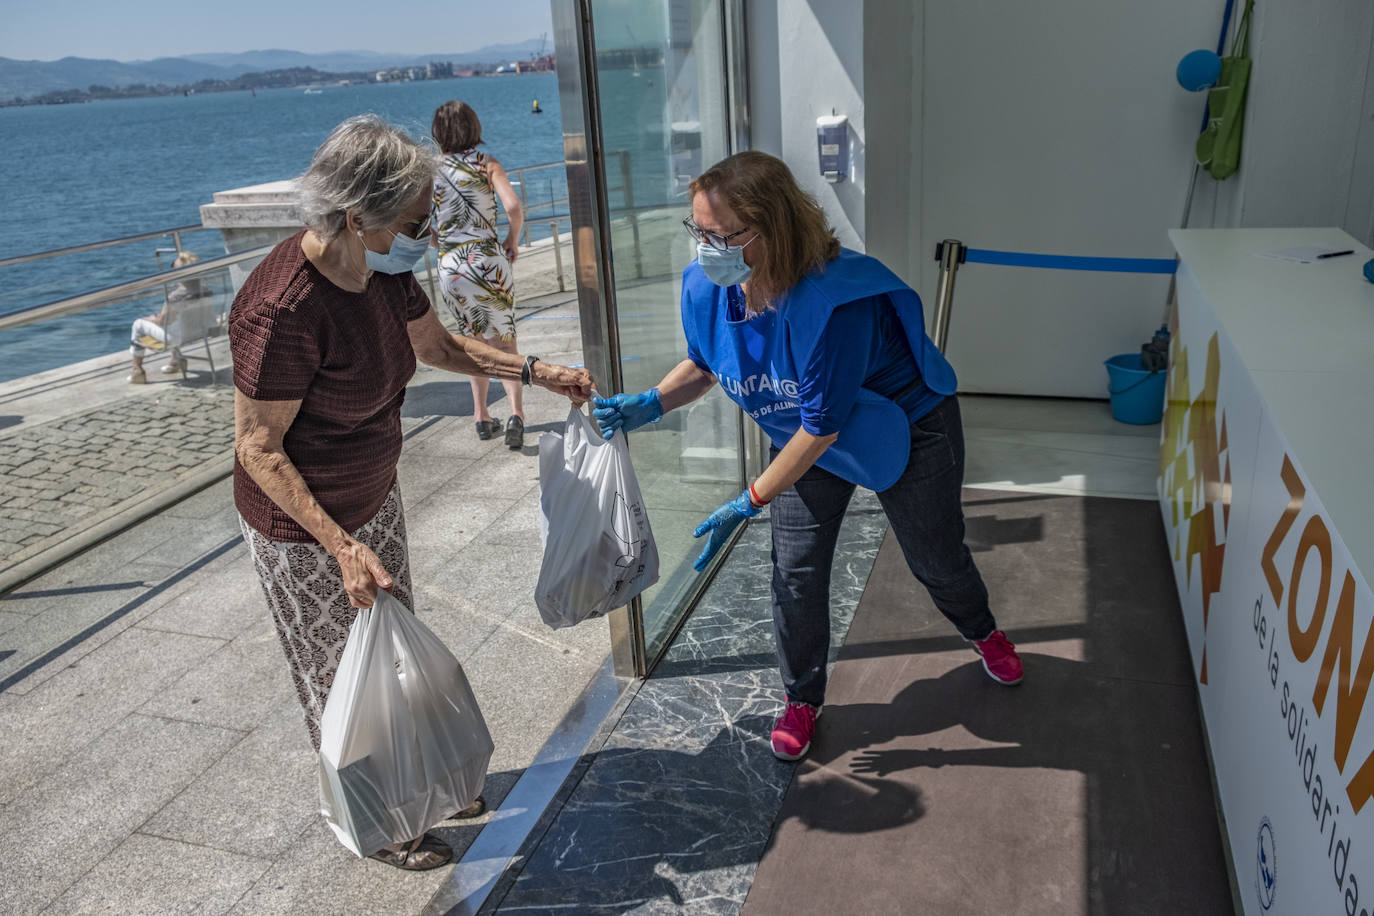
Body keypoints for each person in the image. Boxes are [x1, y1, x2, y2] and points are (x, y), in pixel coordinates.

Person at [230, 115, 591, 871]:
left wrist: (537, 372)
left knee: (395, 655)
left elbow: (439, 347)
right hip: (306, 532)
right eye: (418, 218)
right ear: (357, 216)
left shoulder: (383, 270)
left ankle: (426, 775)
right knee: (341, 677)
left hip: (374, 496)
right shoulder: (282, 310)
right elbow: (257, 448)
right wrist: (339, 546)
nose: (429, 230)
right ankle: (381, 823)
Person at [593, 151, 1024, 763]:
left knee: (936, 558)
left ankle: (984, 631)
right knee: (794, 570)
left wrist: (749, 499)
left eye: (724, 235)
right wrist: (653, 403)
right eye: (700, 231)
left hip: (902, 425)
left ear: (775, 227)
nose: (707, 247)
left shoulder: (835, 302)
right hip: (801, 433)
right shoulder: (706, 286)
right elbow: (707, 363)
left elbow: (822, 427)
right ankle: (801, 697)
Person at [430, 100, 528, 449]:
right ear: (474, 127)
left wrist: (439, 243)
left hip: (452, 264)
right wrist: (511, 240)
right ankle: (516, 412)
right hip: (487, 259)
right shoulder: (486, 164)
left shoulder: (431, 170)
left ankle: (482, 417)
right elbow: (514, 207)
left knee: (472, 341)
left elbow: (418, 223)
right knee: (505, 340)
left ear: (437, 133)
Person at [128, 251, 205, 383]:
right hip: (201, 331)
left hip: (179, 337)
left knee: (138, 324)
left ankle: (137, 371)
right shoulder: (205, 290)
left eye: (173, 267)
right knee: (175, 325)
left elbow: (162, 321)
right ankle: (176, 361)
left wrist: (151, 319)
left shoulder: (176, 296)